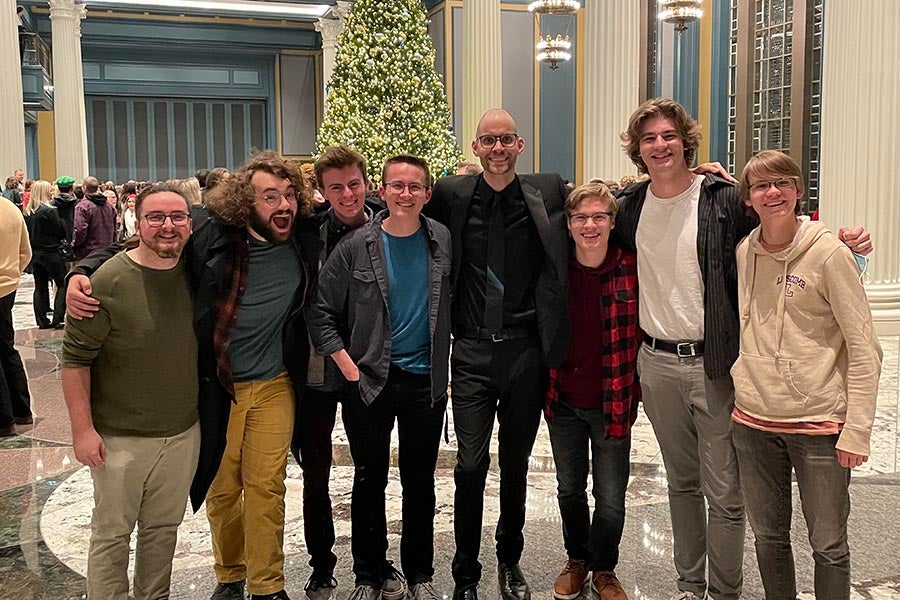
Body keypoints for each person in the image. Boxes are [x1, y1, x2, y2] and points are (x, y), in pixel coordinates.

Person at [614, 98, 872, 600]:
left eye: (669, 135)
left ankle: (724, 591)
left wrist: (849, 245)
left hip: (715, 363)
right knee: (680, 484)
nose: (660, 145)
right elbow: (589, 221)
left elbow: (781, 225)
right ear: (637, 150)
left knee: (725, 492)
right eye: (649, 139)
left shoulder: (724, 198)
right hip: (656, 362)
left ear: (685, 141)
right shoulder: (631, 206)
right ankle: (691, 586)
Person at [67, 151, 318, 600]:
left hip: (275, 383)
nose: (282, 205)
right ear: (246, 202)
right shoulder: (210, 234)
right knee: (222, 488)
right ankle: (230, 574)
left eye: (288, 196)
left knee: (267, 487)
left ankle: (267, 585)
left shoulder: (304, 239)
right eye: (269, 197)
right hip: (219, 385)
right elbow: (138, 246)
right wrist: (82, 271)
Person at [425, 108, 570, 600]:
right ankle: (465, 571)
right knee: (469, 466)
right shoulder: (451, 194)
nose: (498, 148)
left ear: (520, 144)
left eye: (506, 139)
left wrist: (694, 172)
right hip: (470, 352)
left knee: (515, 462)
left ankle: (510, 559)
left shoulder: (548, 189)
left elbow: (607, 204)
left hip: (525, 352)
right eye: (489, 140)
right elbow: (399, 214)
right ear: (475, 148)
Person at [731, 150, 882, 600]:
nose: (771, 192)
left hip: (819, 425)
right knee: (769, 538)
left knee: (828, 543)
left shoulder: (831, 253)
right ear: (748, 199)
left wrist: (857, 430)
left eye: (781, 182)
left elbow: (863, 347)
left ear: (798, 190)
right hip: (753, 422)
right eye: (760, 186)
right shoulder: (744, 252)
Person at [308, 154, 451, 600]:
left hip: (425, 382)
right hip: (369, 380)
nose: (405, 194)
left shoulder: (441, 240)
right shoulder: (355, 246)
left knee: (420, 481)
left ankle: (420, 575)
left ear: (427, 194)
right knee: (369, 478)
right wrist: (348, 366)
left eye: (415, 187)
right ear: (382, 191)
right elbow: (321, 311)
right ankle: (368, 575)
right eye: (397, 186)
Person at [61, 182, 200, 600]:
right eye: (155, 217)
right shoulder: (107, 281)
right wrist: (82, 431)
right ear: (137, 224)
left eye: (177, 217)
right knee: (111, 534)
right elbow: (74, 361)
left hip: (181, 432)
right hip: (120, 437)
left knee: (162, 531)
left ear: (191, 224)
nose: (167, 226)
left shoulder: (197, 274)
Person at [295, 145, 382, 600]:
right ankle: (321, 562)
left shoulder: (389, 223)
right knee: (316, 471)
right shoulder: (306, 230)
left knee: (371, 468)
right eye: (336, 187)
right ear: (322, 191)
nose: (347, 194)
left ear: (365, 183)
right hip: (315, 368)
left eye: (354, 184)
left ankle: (374, 561)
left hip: (366, 367)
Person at [545, 183, 639, 600]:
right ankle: (576, 559)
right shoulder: (555, 269)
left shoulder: (630, 267)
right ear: (568, 224)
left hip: (612, 400)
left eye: (599, 216)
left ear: (612, 222)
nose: (590, 225)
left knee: (611, 496)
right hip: (562, 399)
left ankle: (604, 567)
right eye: (581, 217)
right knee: (569, 487)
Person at [0, 196, 33, 436]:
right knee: (7, 348)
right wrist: (12, 275)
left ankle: (3, 420)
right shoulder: (10, 208)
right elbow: (26, 252)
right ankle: (22, 411)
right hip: (8, 286)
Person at [23, 180, 68, 329]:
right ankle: (58, 317)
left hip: (35, 254)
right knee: (62, 283)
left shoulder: (28, 212)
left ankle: (41, 320)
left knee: (40, 286)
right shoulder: (50, 211)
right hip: (51, 253)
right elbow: (60, 231)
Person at [73, 176, 117, 261]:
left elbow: (80, 230)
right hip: (107, 251)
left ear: (84, 187)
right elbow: (115, 229)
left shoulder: (82, 207)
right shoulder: (109, 206)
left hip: (88, 253)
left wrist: (76, 246)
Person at [52, 176, 79, 256]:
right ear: (72, 189)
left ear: (59, 189)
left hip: (57, 244)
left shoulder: (51, 205)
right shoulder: (78, 204)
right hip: (74, 241)